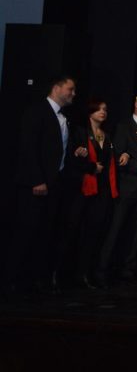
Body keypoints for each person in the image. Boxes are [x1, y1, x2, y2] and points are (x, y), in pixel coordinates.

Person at [13, 75, 78, 294]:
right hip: (36, 185)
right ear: (56, 88)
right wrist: (37, 179)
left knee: (45, 234)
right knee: (26, 232)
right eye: (70, 89)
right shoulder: (37, 112)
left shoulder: (64, 118)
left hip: (54, 185)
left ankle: (34, 280)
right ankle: (13, 281)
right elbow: (28, 148)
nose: (73, 94)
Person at [97, 83, 137, 286]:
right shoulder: (124, 127)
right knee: (116, 229)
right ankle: (103, 271)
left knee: (136, 233)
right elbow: (117, 156)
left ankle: (128, 271)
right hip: (127, 187)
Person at [65, 98, 119, 287]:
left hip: (102, 190)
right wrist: (88, 164)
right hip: (84, 188)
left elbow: (110, 163)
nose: (103, 112)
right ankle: (66, 273)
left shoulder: (107, 136)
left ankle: (85, 273)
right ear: (90, 111)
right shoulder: (80, 132)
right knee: (74, 230)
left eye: (105, 109)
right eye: (98, 109)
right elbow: (71, 160)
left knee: (94, 233)